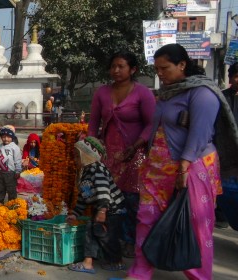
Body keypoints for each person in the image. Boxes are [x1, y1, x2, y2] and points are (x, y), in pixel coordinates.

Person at [125, 43, 237, 280]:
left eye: (164, 68)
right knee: (146, 217)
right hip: (157, 169)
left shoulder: (203, 93)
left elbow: (200, 133)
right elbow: (157, 125)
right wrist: (139, 146)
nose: (160, 74)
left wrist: (184, 167)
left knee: (196, 224)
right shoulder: (168, 93)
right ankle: (140, 272)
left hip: (192, 168)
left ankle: (199, 276)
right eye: (156, 69)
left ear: (182, 65)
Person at [87, 50, 156, 258]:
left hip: (136, 155)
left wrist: (135, 147)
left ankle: (132, 241)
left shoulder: (143, 93)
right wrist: (93, 144)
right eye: (113, 66)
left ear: (132, 69)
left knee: (133, 201)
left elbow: (152, 124)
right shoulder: (102, 92)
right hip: (109, 155)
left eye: (121, 66)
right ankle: (110, 239)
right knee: (108, 200)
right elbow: (93, 124)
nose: (116, 70)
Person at [67, 137, 126, 274]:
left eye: (77, 155)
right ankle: (88, 263)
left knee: (107, 236)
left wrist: (103, 210)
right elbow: (84, 197)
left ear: (87, 155)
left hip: (111, 209)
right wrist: (75, 214)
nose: (75, 159)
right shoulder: (85, 172)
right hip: (101, 208)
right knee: (92, 231)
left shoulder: (96, 168)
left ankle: (116, 261)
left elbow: (103, 189)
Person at [216, 62, 238, 229]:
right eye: (236, 76)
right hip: (225, 154)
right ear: (230, 78)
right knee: (226, 193)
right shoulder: (221, 98)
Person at [0, 128, 23, 203]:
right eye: (3, 137)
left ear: (12, 137)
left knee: (11, 190)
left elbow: (18, 160)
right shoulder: (0, 147)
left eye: (8, 137)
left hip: (10, 173)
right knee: (0, 188)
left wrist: (18, 171)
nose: (6, 139)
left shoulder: (14, 147)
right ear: (1, 138)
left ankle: (12, 204)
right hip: (0, 172)